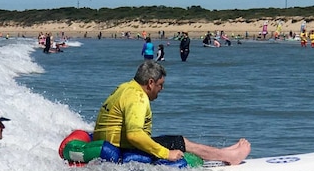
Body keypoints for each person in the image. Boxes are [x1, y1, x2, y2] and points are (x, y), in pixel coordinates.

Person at [92, 61, 250, 165]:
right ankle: (229, 157)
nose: (162, 89)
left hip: (110, 143)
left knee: (171, 140)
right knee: (178, 141)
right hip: (122, 148)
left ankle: (224, 152)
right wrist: (166, 153)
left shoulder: (125, 87)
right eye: (160, 85)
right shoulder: (138, 97)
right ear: (150, 83)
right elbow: (134, 135)